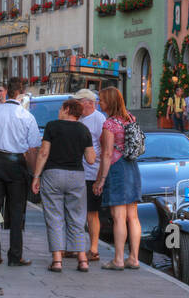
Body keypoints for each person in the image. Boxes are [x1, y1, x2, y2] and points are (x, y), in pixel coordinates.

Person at [0, 76, 41, 266]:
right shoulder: (26, 116)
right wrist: (33, 173)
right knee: (16, 211)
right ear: (21, 93)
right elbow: (32, 150)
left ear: (7, 90)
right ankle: (15, 255)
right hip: (16, 163)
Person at [32, 98, 96, 273]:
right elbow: (91, 159)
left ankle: (57, 261)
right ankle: (82, 260)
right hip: (76, 176)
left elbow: (44, 152)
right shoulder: (84, 130)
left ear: (67, 109)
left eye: (61, 108)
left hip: (53, 174)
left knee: (54, 216)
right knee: (77, 217)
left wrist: (36, 176)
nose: (59, 111)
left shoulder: (52, 126)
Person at [95, 86, 142, 271]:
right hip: (132, 167)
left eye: (102, 100)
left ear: (111, 102)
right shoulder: (130, 118)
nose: (100, 103)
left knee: (118, 217)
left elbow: (106, 154)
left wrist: (101, 180)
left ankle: (118, 260)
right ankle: (134, 258)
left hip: (117, 170)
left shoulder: (110, 124)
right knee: (133, 217)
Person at [75, 89, 106, 261]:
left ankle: (94, 248)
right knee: (76, 211)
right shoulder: (78, 118)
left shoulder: (99, 119)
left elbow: (103, 147)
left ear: (89, 102)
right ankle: (76, 247)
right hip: (76, 171)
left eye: (79, 101)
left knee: (92, 213)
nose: (77, 105)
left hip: (92, 172)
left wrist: (100, 176)